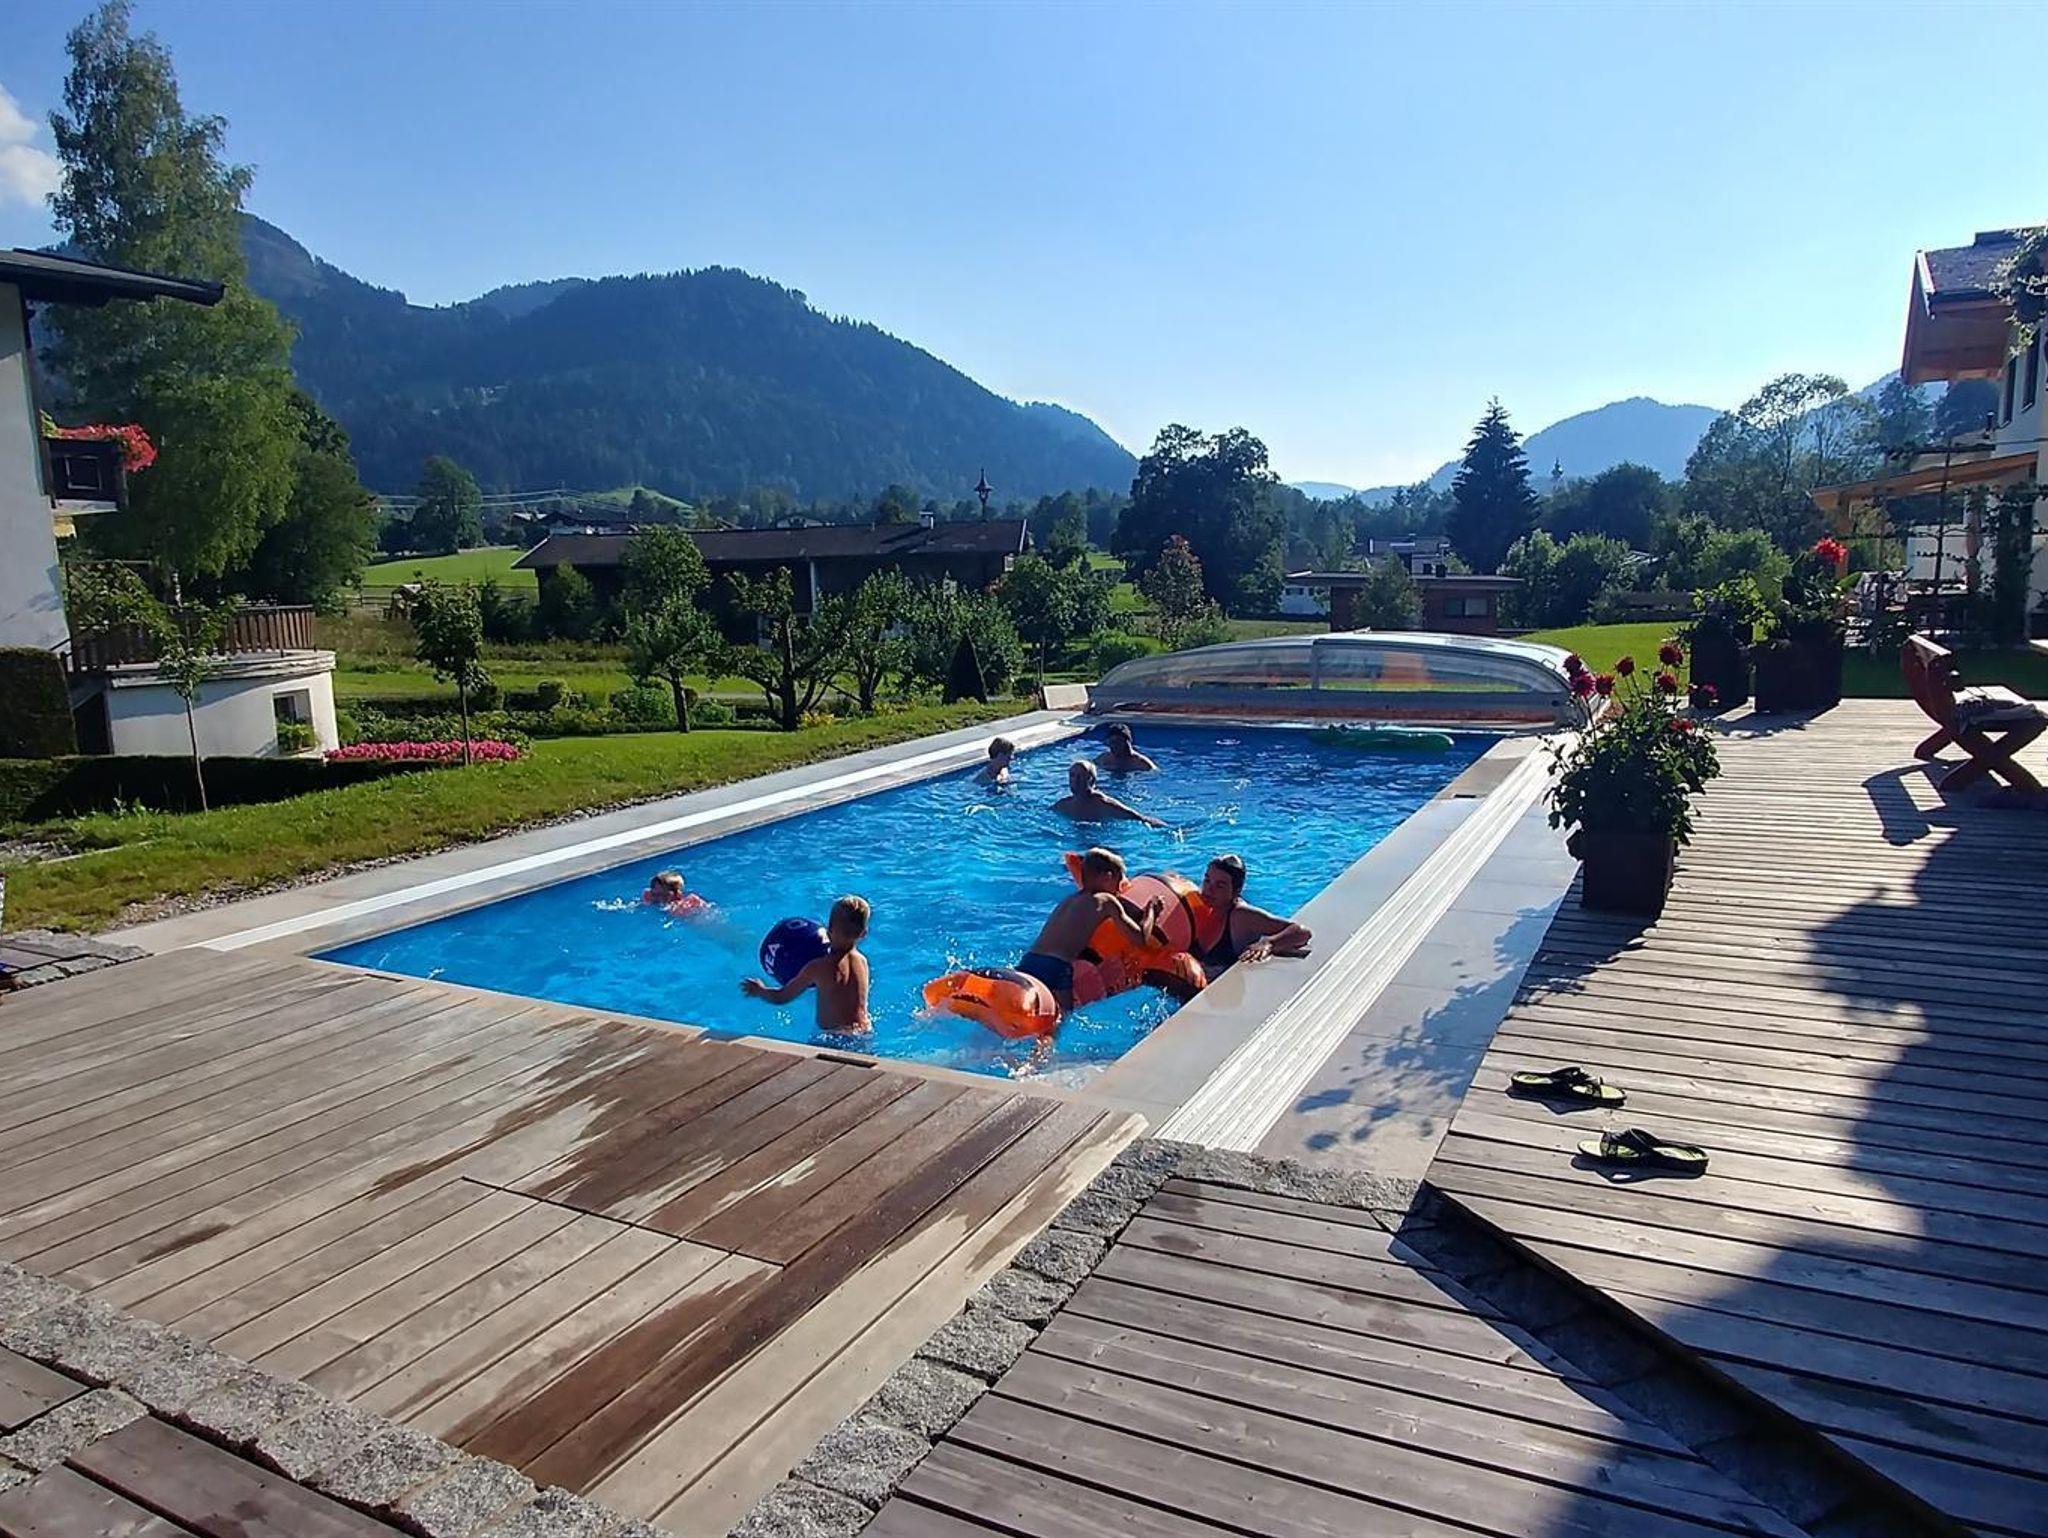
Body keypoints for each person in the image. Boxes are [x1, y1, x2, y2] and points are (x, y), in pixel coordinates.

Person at [1017, 848, 1166, 1012]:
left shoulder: (1070, 900)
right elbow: (1140, 939)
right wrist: (1151, 910)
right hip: (1056, 967)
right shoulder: (1107, 900)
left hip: (1029, 961)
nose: (1120, 889)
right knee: (1061, 1018)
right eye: (1119, 881)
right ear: (1108, 877)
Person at [741, 894, 872, 1033]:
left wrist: (760, 990)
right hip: (864, 1031)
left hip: (833, 1037)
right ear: (864, 933)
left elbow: (781, 997)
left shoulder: (818, 968)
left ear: (828, 931)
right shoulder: (862, 962)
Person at [1197, 854, 1311, 970]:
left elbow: (1301, 932)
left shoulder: (1240, 916)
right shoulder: (1201, 906)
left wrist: (1269, 943)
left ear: (1236, 891)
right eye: (1207, 880)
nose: (1209, 889)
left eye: (1220, 886)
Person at [1052, 760, 1164, 828]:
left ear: (1092, 780)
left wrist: (1167, 829)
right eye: (1072, 776)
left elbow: (1140, 818)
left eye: (1081, 776)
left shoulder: (1103, 805)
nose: (1076, 780)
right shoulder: (1063, 805)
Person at [641, 870, 708, 916]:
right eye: (655, 894)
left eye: (663, 895)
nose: (660, 898)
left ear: (677, 894)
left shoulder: (686, 904)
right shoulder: (649, 895)